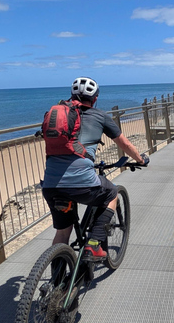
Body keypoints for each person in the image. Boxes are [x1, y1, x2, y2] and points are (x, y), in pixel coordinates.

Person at [42, 76, 148, 261]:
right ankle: (94, 245)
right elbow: (125, 144)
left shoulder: (58, 116)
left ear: (71, 96)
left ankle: (56, 282)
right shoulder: (100, 116)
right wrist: (140, 159)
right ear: (95, 99)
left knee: (62, 232)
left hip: (51, 185)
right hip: (82, 183)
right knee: (111, 193)